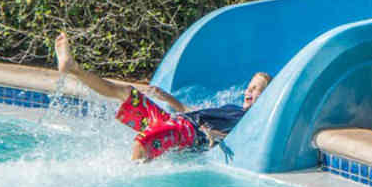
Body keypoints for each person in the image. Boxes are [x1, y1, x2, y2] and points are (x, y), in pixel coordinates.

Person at [53, 31, 271, 161]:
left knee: (143, 142)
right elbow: (189, 111)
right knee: (126, 92)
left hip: (188, 133)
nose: (248, 91)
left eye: (256, 88)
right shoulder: (231, 108)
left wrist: (213, 135)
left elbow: (239, 139)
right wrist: (166, 98)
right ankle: (73, 68)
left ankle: (131, 183)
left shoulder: (248, 120)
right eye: (249, 87)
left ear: (267, 95)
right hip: (178, 122)